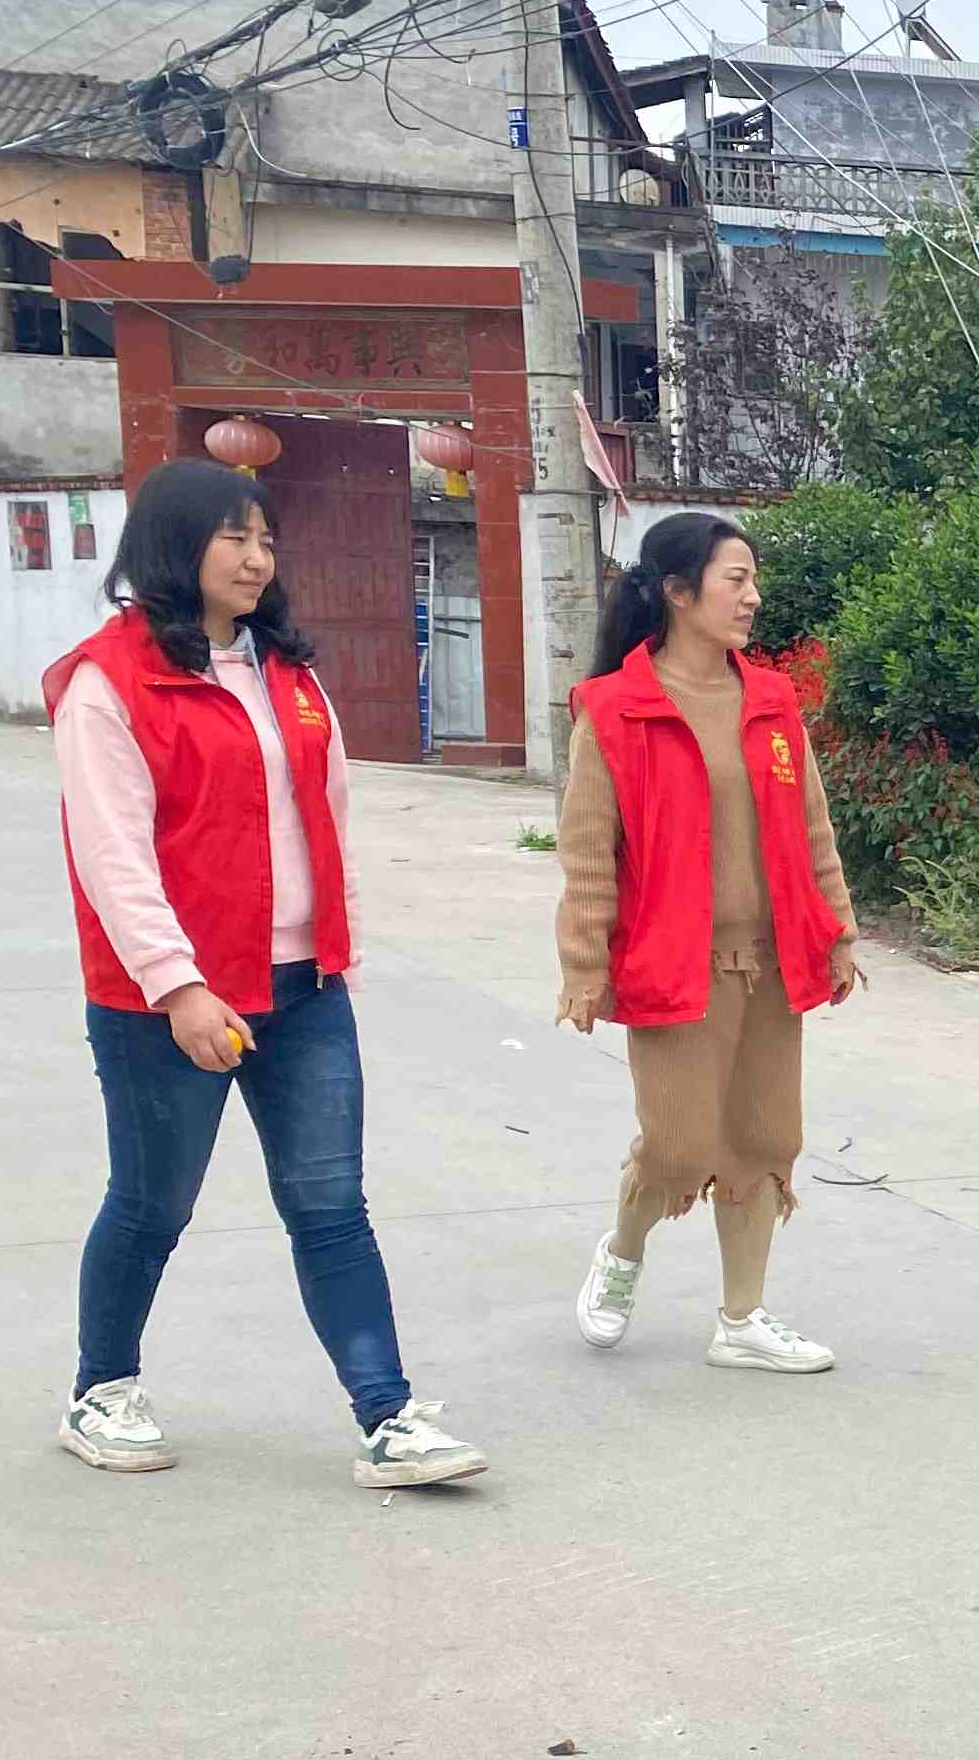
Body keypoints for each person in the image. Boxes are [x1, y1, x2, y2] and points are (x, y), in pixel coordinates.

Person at [44, 457, 486, 1488]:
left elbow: (327, 818)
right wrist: (178, 985)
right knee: (152, 1205)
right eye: (235, 537)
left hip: (302, 988)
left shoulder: (287, 671)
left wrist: (339, 949)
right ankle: (102, 1389)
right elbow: (112, 854)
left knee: (331, 1204)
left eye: (267, 540)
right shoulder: (108, 682)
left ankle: (388, 1415)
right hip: (168, 1001)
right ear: (174, 545)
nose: (257, 558)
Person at [553, 512, 861, 1371]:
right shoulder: (616, 709)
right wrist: (583, 966)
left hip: (772, 959)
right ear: (679, 593)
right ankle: (622, 1253)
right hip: (673, 962)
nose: (752, 596)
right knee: (679, 1144)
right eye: (736, 579)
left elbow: (814, 829)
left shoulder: (771, 700)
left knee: (765, 1138)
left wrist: (837, 931)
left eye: (753, 579)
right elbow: (587, 853)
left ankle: (742, 1319)